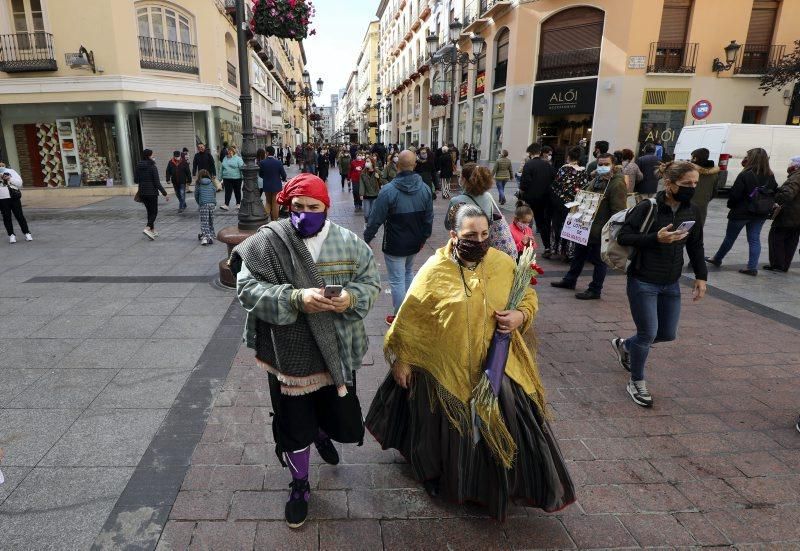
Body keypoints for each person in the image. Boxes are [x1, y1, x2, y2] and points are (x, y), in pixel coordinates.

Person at [366, 203, 576, 521]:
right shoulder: (434, 270)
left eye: (483, 234)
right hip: (445, 368)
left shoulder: (504, 264)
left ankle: (494, 488)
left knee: (504, 427)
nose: (478, 240)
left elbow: (528, 298)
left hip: (496, 365)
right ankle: (447, 479)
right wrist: (401, 360)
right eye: (470, 235)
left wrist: (520, 315)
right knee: (446, 434)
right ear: (454, 235)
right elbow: (410, 317)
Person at [230, 173, 380, 529]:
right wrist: (295, 298)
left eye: (313, 207)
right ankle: (300, 484)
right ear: (286, 206)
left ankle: (321, 432)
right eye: (297, 207)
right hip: (289, 356)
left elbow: (370, 282)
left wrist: (350, 298)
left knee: (333, 411)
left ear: (326, 207)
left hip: (337, 351)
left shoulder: (350, 243)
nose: (304, 214)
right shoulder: (267, 243)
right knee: (295, 423)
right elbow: (247, 289)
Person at [611, 161, 707, 408]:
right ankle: (637, 382)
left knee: (666, 334)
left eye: (695, 183)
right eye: (687, 184)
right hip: (643, 279)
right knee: (647, 333)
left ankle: (624, 345)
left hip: (671, 282)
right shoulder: (648, 207)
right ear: (669, 184)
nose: (692, 187)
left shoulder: (692, 210)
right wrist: (656, 238)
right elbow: (624, 236)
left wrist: (701, 276)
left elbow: (696, 245)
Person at [364, 150, 434, 325]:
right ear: (415, 165)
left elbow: (375, 219)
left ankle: (400, 316)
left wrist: (367, 237)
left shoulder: (388, 191)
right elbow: (429, 218)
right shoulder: (425, 189)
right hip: (414, 241)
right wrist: (423, 238)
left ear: (397, 165)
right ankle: (408, 311)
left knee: (396, 280)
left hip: (395, 242)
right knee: (408, 273)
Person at [551, 153, 627, 300]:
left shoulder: (617, 183)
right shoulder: (597, 179)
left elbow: (618, 211)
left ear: (613, 165)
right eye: (600, 164)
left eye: (606, 164)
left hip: (600, 229)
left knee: (599, 260)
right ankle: (569, 280)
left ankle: (595, 289)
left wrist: (609, 231)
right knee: (578, 255)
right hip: (586, 226)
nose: (603, 167)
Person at [705, 148, 778, 276]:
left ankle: (717, 258)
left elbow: (735, 194)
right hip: (760, 212)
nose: (745, 158)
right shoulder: (770, 176)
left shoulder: (745, 174)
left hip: (741, 212)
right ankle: (752, 267)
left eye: (747, 156)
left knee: (730, 237)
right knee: (754, 239)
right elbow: (774, 191)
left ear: (752, 159)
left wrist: (731, 205)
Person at [550, 147, 587, 262]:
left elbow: (556, 185)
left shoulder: (563, 169)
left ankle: (557, 249)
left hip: (561, 202)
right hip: (575, 203)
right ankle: (568, 251)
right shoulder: (583, 171)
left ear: (569, 157)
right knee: (570, 226)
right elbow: (584, 188)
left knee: (558, 225)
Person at [519, 143, 557, 256]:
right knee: (543, 223)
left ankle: (525, 247)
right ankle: (547, 247)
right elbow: (554, 181)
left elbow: (524, 183)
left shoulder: (528, 165)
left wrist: (522, 192)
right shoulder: (548, 165)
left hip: (531, 198)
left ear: (530, 153)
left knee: (526, 222)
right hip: (546, 198)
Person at [764, 156, 800, 272]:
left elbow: (788, 194)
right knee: (791, 240)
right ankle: (784, 265)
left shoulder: (797, 176)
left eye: (791, 163)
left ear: (796, 165)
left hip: (789, 213)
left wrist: (776, 196)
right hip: (797, 216)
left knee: (776, 237)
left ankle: (778, 264)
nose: (789, 165)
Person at [446, 163, 495, 230]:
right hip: (485, 237)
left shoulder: (456, 201)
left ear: (464, 179)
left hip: (465, 239)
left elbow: (448, 225)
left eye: (460, 176)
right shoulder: (489, 196)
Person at [135, 149, 169, 240]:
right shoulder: (152, 166)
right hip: (151, 193)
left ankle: (152, 230)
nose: (153, 156)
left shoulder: (138, 166)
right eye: (152, 155)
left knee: (149, 211)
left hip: (142, 192)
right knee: (154, 212)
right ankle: (147, 228)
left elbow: (135, 180)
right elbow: (157, 183)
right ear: (149, 156)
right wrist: (165, 193)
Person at [689, 148, 721, 229]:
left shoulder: (689, 170)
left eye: (692, 157)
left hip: (687, 202)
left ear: (695, 158)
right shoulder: (714, 173)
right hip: (703, 204)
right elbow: (715, 190)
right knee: (698, 227)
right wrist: (706, 198)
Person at [0, 171, 31, 243]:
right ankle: (11, 235)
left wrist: (9, 178)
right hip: (2, 199)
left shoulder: (11, 171)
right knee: (6, 217)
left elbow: (20, 183)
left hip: (14, 198)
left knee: (19, 216)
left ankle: (27, 233)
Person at [259, 146, 288, 222]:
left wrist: (266, 177)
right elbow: (283, 175)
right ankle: (275, 220)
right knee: (275, 203)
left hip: (267, 185)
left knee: (268, 202)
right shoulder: (278, 162)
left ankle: (265, 219)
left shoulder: (262, 162)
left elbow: (260, 174)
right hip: (276, 186)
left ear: (267, 153)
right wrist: (283, 179)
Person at [194, 169, 217, 245]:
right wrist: (214, 202)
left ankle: (206, 237)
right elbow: (214, 192)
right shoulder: (211, 182)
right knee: (210, 220)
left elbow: (196, 195)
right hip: (212, 204)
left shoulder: (198, 183)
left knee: (204, 221)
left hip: (203, 204)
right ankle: (211, 234)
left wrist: (199, 203)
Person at [220, 145, 245, 211]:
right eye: (228, 151)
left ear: (234, 152)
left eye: (231, 151)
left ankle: (238, 204)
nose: (229, 152)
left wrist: (243, 177)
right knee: (228, 191)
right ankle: (226, 205)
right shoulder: (225, 158)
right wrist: (220, 177)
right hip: (226, 178)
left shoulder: (238, 159)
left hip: (237, 178)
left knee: (237, 191)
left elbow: (241, 168)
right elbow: (221, 168)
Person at [360, 157, 381, 224]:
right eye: (366, 161)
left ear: (372, 163)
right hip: (366, 196)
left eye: (368, 161)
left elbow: (382, 181)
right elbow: (362, 184)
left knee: (372, 213)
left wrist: (378, 178)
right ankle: (367, 223)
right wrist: (361, 194)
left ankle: (370, 228)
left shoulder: (377, 171)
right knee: (366, 214)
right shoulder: (363, 173)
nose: (366, 163)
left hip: (375, 195)